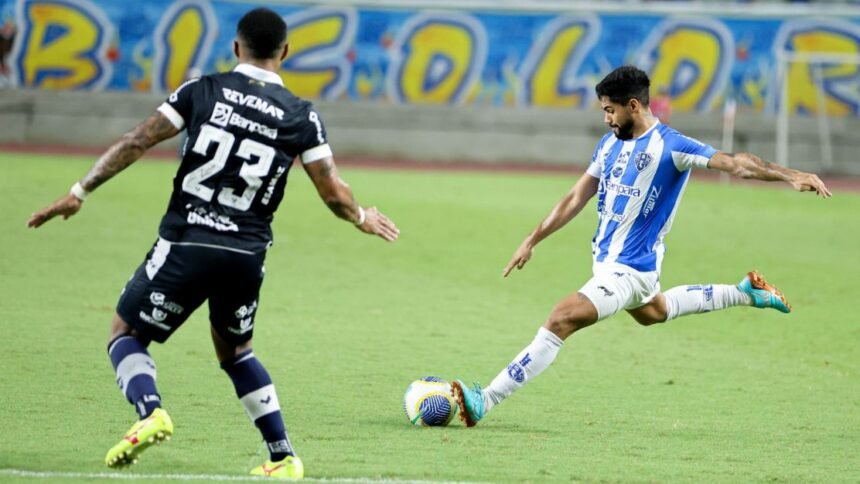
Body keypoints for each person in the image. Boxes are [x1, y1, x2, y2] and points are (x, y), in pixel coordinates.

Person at [27, 8, 399, 479]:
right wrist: (362, 216)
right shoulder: (302, 115)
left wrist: (79, 192)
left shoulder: (202, 90)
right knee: (237, 351)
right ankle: (283, 457)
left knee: (125, 333)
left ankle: (150, 412)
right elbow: (332, 191)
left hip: (187, 242)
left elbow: (137, 140)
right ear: (285, 52)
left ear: (236, 47)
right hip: (246, 255)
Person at [451, 65, 830, 428]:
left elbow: (737, 164)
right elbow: (575, 198)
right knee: (653, 311)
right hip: (614, 265)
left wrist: (790, 175)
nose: (606, 119)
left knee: (560, 319)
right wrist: (532, 239)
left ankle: (487, 398)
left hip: (629, 270)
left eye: (610, 110)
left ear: (633, 105)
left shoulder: (672, 146)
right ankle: (745, 292)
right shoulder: (608, 145)